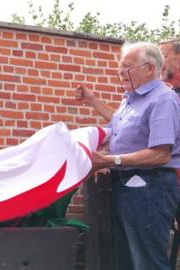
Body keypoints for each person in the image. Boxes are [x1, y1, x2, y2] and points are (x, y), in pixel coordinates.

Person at [75, 42, 180, 270]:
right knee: (126, 259)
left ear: (150, 68)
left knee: (147, 261)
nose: (121, 72)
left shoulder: (162, 99)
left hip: (150, 188)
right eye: (119, 67)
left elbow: (161, 155)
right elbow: (118, 125)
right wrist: (92, 101)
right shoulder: (130, 99)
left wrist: (111, 160)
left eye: (127, 67)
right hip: (125, 186)